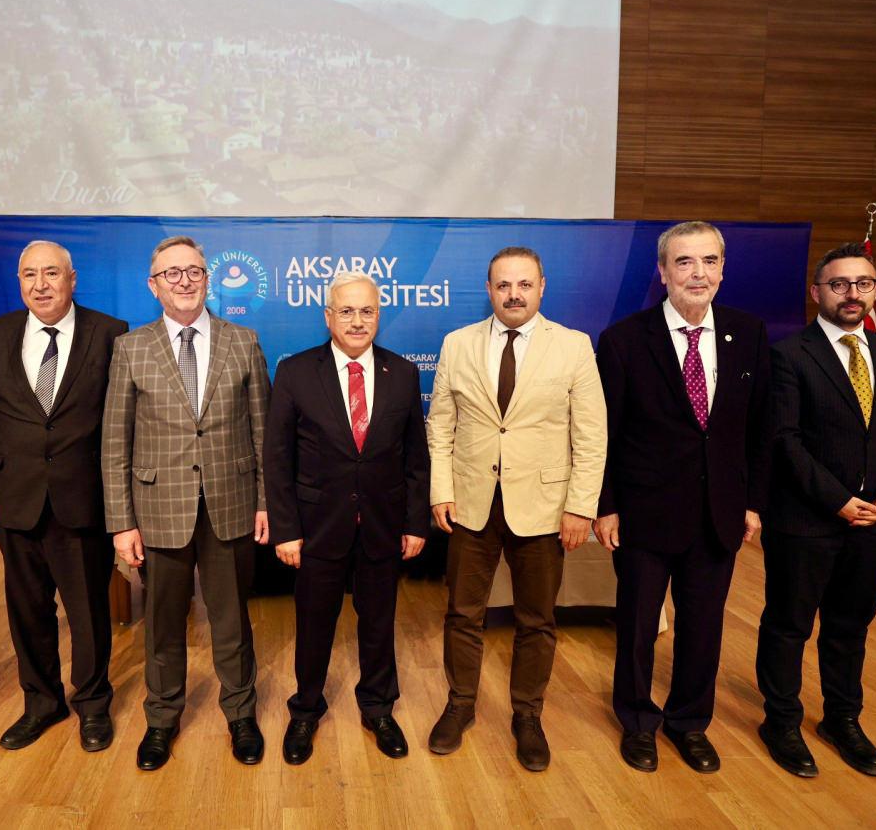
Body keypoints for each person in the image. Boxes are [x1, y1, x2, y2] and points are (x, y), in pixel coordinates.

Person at [594, 220, 771, 774]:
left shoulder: (748, 333)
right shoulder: (624, 340)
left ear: (722, 269)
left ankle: (689, 723)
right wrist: (606, 505)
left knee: (703, 626)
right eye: (685, 261)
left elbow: (760, 428)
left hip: (719, 514)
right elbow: (604, 433)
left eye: (709, 261)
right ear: (663, 271)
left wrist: (753, 502)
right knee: (638, 626)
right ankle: (637, 721)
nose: (698, 273)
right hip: (644, 514)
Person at [425, 246, 606, 772]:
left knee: (537, 619)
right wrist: (441, 490)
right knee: (462, 613)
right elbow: (441, 424)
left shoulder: (573, 346)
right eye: (503, 285)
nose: (513, 294)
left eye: (524, 284)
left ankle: (528, 715)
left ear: (542, 287)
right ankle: (460, 705)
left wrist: (580, 507)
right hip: (471, 504)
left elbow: (590, 435)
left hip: (545, 508)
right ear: (488, 289)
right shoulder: (457, 344)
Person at [101, 235, 271, 770]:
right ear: (153, 286)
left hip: (231, 504)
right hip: (158, 511)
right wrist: (121, 522)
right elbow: (115, 441)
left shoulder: (243, 341)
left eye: (193, 271)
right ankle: (161, 719)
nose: (184, 281)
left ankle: (240, 714)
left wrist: (266, 501)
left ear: (207, 279)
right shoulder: (131, 348)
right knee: (163, 624)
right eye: (171, 273)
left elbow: (263, 432)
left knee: (232, 621)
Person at [755, 243, 876, 779]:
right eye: (840, 284)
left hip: (874, 521)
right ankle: (781, 721)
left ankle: (842, 719)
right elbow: (784, 440)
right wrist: (838, 500)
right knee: (789, 626)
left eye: (863, 283)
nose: (852, 293)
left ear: (875, 291)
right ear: (817, 292)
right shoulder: (788, 354)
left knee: (850, 627)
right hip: (805, 520)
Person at [0, 240, 128, 753]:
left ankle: (93, 704)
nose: (41, 284)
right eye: (30, 274)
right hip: (15, 499)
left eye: (51, 273)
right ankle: (41, 703)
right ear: (19, 282)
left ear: (72, 279)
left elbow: (123, 424)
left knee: (89, 613)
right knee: (27, 611)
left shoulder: (110, 333)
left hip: (83, 499)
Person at [264, 272, 430, 765]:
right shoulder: (295, 372)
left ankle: (379, 708)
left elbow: (416, 458)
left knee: (378, 624)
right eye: (347, 311)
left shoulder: (402, 372)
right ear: (328, 316)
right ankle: (305, 710)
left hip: (382, 525)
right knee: (314, 624)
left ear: (379, 315)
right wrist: (286, 530)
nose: (358, 321)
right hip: (317, 527)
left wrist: (414, 523)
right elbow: (277, 457)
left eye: (367, 311)